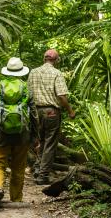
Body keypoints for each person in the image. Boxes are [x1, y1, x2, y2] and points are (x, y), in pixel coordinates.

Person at [0, 57, 39, 211]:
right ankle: (16, 198)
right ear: (21, 72)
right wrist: (35, 136)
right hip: (22, 134)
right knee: (18, 166)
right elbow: (34, 114)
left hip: (0, 132)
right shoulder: (26, 88)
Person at [27, 49, 75, 185]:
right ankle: (43, 175)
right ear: (56, 60)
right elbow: (61, 95)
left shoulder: (33, 72)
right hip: (51, 112)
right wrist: (70, 111)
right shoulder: (56, 73)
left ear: (44, 59)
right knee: (49, 143)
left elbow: (28, 93)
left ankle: (37, 168)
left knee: (41, 140)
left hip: (35, 111)